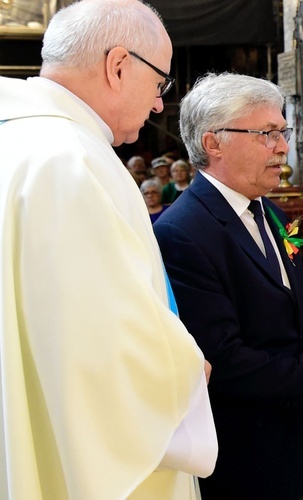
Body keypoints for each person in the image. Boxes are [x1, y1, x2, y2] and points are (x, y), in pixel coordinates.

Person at [0, 0, 218, 498]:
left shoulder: (17, 141)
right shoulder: (71, 160)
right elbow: (98, 342)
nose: (160, 104)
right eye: (160, 82)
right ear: (118, 66)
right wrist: (184, 366)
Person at [153, 72, 303, 499]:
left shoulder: (268, 211)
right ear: (213, 143)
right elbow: (219, 360)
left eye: (282, 132)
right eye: (267, 133)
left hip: (302, 444)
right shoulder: (182, 233)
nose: (282, 146)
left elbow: (292, 307)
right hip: (250, 459)